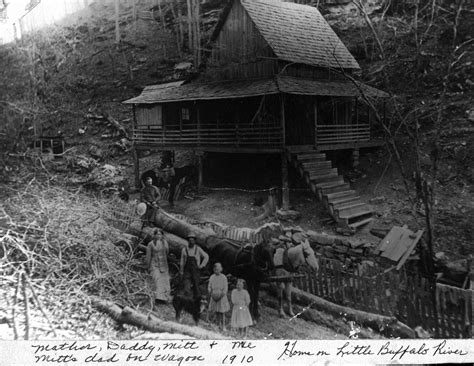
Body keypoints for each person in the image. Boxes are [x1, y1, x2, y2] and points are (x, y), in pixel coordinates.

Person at [179, 233, 209, 302]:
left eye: (192, 240)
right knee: (186, 287)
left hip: (196, 271)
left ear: (195, 241)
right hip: (187, 271)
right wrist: (181, 271)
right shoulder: (184, 250)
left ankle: (196, 303)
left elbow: (206, 256)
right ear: (187, 241)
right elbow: (182, 261)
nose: (191, 242)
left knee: (196, 287)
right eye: (189, 240)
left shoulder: (198, 249)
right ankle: (187, 302)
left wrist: (202, 265)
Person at [146, 229, 171, 305]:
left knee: (165, 280)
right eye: (157, 234)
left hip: (163, 264)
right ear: (155, 235)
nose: (159, 236)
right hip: (154, 264)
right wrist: (148, 266)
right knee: (157, 279)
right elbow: (148, 256)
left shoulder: (165, 243)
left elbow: (167, 252)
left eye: (160, 234)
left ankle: (164, 298)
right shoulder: (151, 244)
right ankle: (156, 298)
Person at [208, 262, 230, 330]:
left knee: (222, 312)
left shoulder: (223, 277)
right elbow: (209, 286)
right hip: (214, 296)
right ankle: (218, 324)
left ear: (221, 269)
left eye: (218, 269)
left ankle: (223, 326)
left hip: (221, 296)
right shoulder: (212, 277)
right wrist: (210, 292)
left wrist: (222, 294)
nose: (217, 270)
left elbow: (225, 287)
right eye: (215, 269)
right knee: (217, 311)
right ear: (213, 270)